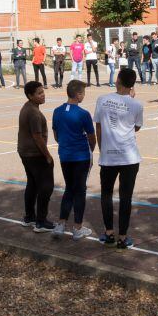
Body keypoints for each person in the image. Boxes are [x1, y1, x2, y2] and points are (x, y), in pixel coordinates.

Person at [94, 68, 143, 249]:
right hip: (129, 157)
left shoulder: (103, 99)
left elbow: (98, 126)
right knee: (126, 197)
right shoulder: (136, 104)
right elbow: (136, 128)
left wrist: (101, 147)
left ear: (118, 81)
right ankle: (122, 236)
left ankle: (109, 233)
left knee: (106, 194)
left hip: (109, 156)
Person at [51, 80, 95, 239]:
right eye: (83, 93)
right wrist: (91, 149)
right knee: (80, 190)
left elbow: (56, 135)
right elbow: (92, 137)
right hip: (81, 156)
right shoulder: (83, 114)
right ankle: (77, 227)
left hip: (65, 155)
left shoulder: (57, 111)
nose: (84, 95)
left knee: (69, 188)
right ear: (78, 95)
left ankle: (61, 224)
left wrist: (65, 144)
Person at [17, 81, 55, 231]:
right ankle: (41, 221)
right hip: (34, 154)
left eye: (43, 92)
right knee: (46, 186)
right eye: (39, 93)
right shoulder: (33, 113)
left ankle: (29, 217)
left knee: (32, 184)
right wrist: (47, 155)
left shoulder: (28, 107)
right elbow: (37, 137)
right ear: (30, 96)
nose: (43, 95)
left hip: (25, 152)